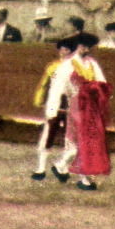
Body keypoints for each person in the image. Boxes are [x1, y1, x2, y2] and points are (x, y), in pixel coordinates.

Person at [64, 33, 111, 191]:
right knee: (79, 140)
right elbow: (65, 85)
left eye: (88, 46)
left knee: (89, 140)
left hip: (91, 106)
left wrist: (94, 89)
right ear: (77, 45)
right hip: (77, 105)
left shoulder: (91, 63)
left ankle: (82, 175)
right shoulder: (70, 63)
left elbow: (101, 81)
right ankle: (74, 173)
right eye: (83, 45)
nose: (86, 49)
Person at [31, 35, 78, 181]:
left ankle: (62, 167)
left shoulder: (76, 67)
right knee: (48, 136)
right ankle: (41, 169)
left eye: (67, 49)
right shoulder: (53, 66)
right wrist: (40, 99)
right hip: (56, 104)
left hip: (70, 105)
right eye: (62, 49)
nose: (63, 52)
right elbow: (44, 84)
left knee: (71, 139)